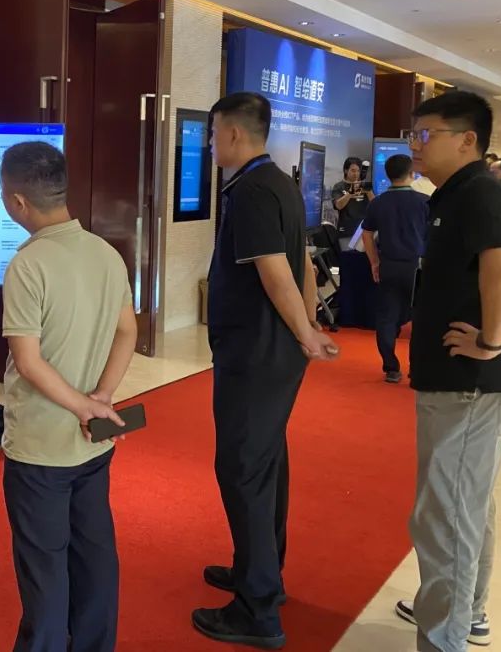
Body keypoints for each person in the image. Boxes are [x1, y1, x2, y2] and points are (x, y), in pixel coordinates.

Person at [195, 92, 339, 650]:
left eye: (213, 134)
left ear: (233, 133)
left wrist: (305, 331)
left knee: (243, 469)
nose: (210, 144)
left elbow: (277, 268)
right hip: (270, 351)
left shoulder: (252, 190)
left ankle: (257, 610)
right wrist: (308, 325)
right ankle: (259, 570)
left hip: (255, 353)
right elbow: (303, 261)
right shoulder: (277, 181)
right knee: (265, 461)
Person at [0, 142, 136, 652]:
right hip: (92, 441)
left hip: (40, 446)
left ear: (18, 202)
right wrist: (101, 398)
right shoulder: (105, 252)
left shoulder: (27, 264)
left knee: (44, 570)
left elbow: (28, 362)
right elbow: (128, 330)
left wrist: (82, 405)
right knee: (94, 557)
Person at [395, 91, 501, 652]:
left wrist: (492, 341)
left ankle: (444, 636)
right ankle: (466, 613)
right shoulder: (455, 195)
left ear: (467, 140)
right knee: (466, 509)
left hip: (468, 385)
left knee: (444, 518)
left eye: (426, 134)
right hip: (461, 383)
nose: (416, 145)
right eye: (414, 135)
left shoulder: (480, 194)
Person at [360, 154, 430, 383]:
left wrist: (374, 262)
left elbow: (367, 234)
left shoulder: (378, 203)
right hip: (417, 267)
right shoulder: (425, 201)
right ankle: (417, 368)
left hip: (388, 265)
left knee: (386, 318)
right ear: (412, 174)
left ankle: (391, 367)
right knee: (420, 319)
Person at [331, 157, 374, 249]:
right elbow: (338, 206)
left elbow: (375, 206)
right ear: (346, 171)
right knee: (348, 255)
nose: (356, 174)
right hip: (346, 231)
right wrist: (350, 193)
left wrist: (368, 191)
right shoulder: (339, 186)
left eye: (358, 171)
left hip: (364, 231)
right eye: (353, 170)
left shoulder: (363, 186)